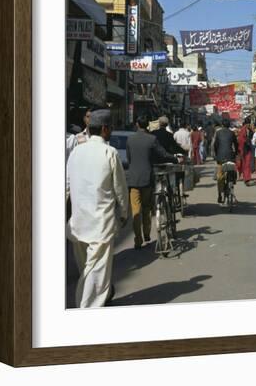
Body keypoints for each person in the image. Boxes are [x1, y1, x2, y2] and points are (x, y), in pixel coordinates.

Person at [67, 109, 128, 308]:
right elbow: (120, 188)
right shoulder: (109, 152)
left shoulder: (76, 151)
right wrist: (125, 213)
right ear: (104, 129)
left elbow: (67, 186)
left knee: (87, 268)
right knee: (95, 274)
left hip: (77, 222)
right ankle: (86, 311)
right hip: (100, 224)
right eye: (110, 128)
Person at [126, 116, 178, 249]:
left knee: (135, 211)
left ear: (137, 124)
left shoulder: (130, 139)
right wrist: (175, 159)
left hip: (133, 179)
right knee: (146, 208)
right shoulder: (151, 139)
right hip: (147, 179)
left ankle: (138, 240)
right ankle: (147, 233)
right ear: (147, 125)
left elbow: (129, 158)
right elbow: (162, 154)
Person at [213, 118, 238, 204]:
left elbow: (216, 145)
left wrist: (217, 155)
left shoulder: (218, 133)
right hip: (230, 156)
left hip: (220, 157)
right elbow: (236, 144)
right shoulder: (232, 133)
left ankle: (220, 195)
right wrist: (236, 153)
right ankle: (233, 181)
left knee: (220, 177)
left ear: (222, 125)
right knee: (232, 170)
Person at [237, 118, 254, 185]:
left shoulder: (248, 130)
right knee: (246, 164)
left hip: (247, 149)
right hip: (244, 149)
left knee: (246, 164)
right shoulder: (243, 130)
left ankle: (246, 178)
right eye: (249, 123)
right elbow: (241, 140)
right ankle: (246, 178)